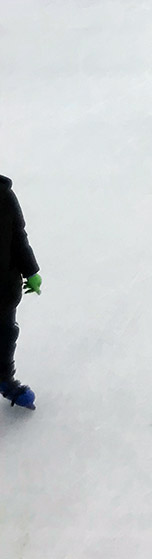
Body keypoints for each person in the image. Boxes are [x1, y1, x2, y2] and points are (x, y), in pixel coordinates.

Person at [1, 173, 41, 409]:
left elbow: (18, 236)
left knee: (5, 336)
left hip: (3, 289)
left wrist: (31, 271)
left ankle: (4, 379)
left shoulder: (3, 194)